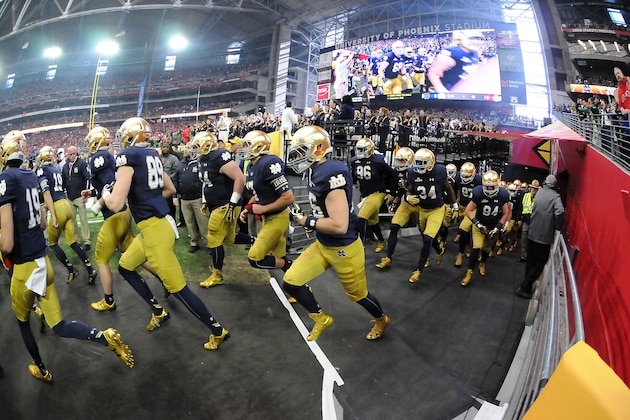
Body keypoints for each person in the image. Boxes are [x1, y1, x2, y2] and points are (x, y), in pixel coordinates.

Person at [0, 130, 134, 382]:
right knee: (59, 325)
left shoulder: (6, 178)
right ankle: (103, 336)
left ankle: (41, 367)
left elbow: (6, 245)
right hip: (44, 263)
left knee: (21, 322)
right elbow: (40, 222)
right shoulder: (30, 174)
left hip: (24, 269)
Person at [103, 117, 230, 350]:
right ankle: (158, 310)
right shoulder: (152, 154)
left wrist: (105, 192)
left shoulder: (128, 157)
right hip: (159, 225)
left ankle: (217, 330)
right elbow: (170, 189)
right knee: (125, 266)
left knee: (179, 289)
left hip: (154, 231)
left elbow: (115, 203)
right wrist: (149, 200)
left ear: (129, 136)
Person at [284, 125, 391, 341]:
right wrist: (312, 220)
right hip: (323, 245)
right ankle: (321, 318)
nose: (297, 156)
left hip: (344, 249)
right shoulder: (316, 169)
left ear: (318, 148)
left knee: (359, 296)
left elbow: (339, 225)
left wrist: (307, 220)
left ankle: (381, 319)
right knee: (291, 281)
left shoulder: (330, 173)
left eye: (301, 150)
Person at [82, 126, 164, 312]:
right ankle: (164, 280)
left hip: (114, 215)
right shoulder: (110, 156)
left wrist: (98, 204)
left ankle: (108, 300)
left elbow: (111, 185)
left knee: (101, 258)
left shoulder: (99, 158)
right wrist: (93, 192)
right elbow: (107, 184)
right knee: (131, 251)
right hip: (124, 213)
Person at [36, 145, 98, 285]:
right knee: (73, 242)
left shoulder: (43, 169)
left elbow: (46, 193)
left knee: (52, 243)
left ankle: (71, 270)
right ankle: (90, 270)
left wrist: (53, 214)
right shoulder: (55, 168)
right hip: (65, 203)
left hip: (58, 207)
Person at [196, 130, 247, 288]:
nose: (196, 149)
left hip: (225, 203)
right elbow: (207, 182)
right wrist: (205, 201)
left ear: (207, 144)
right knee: (229, 239)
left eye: (199, 145)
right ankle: (257, 241)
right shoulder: (202, 159)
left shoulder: (220, 156)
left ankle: (218, 275)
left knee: (213, 236)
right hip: (216, 203)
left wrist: (232, 202)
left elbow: (239, 178)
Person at [239, 130, 295, 272]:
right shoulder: (252, 165)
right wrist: (248, 208)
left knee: (255, 258)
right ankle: (299, 287)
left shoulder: (269, 163)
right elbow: (258, 193)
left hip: (277, 217)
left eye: (247, 145)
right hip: (268, 218)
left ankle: (292, 268)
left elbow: (288, 197)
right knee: (279, 257)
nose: (244, 148)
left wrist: (263, 209)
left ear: (259, 146)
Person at [405, 148, 457, 283]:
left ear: (430, 163)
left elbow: (448, 188)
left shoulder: (439, 171)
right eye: (417, 162)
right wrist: (408, 198)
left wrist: (453, 204)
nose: (418, 165)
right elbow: (410, 190)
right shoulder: (412, 172)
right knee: (427, 237)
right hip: (422, 209)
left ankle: (418, 270)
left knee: (427, 239)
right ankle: (439, 251)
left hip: (436, 209)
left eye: (422, 162)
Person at [515, 175, 565, 299]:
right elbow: (560, 212)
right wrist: (557, 227)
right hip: (544, 236)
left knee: (530, 262)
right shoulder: (555, 197)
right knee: (540, 263)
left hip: (532, 232)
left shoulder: (539, 193)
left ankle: (526, 287)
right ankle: (524, 286)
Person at [460, 170, 511, 287]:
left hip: (492, 226)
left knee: (486, 249)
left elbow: (505, 213)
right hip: (480, 225)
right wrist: (477, 223)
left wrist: (498, 227)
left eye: (491, 187)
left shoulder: (503, 195)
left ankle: (482, 262)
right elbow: (468, 210)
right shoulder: (478, 193)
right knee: (476, 248)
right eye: (486, 187)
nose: (489, 189)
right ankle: (469, 273)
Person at [349, 137, 397, 252]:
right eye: (358, 149)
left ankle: (360, 246)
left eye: (362, 149)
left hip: (378, 193)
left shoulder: (378, 161)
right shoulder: (355, 161)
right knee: (373, 221)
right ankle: (381, 240)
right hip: (365, 194)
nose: (360, 152)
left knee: (362, 216)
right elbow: (354, 177)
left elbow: (393, 175)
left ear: (370, 149)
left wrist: (392, 192)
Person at [375, 147, 417, 269]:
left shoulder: (416, 172)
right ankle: (388, 257)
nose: (399, 163)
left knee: (426, 233)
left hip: (422, 204)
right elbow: (400, 189)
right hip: (407, 203)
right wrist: (395, 200)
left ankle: (434, 252)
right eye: (398, 160)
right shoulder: (396, 172)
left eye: (402, 161)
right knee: (394, 227)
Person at [173, 136, 209, 253]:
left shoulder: (200, 163)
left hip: (198, 198)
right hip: (184, 199)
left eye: (188, 147)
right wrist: (175, 197)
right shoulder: (181, 163)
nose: (185, 149)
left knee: (203, 223)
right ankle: (194, 242)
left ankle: (209, 243)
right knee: (189, 223)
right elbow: (176, 180)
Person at [61, 145, 91, 250]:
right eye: (71, 154)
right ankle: (77, 240)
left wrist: (86, 193)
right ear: (67, 154)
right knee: (72, 220)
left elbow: (87, 178)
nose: (73, 156)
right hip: (70, 196)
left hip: (80, 195)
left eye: (74, 153)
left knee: (83, 219)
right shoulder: (65, 166)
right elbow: (63, 181)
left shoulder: (82, 163)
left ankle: (86, 240)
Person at [517, 179, 540, 262]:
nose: (533, 190)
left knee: (533, 241)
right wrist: (519, 219)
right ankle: (524, 256)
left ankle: (531, 257)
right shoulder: (526, 196)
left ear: (538, 190)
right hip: (526, 221)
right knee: (523, 239)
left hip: (535, 223)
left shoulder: (539, 199)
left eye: (535, 188)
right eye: (532, 188)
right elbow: (520, 207)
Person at [161, 142, 180, 222]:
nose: (165, 149)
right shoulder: (157, 158)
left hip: (170, 186)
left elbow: (176, 172)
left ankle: (172, 223)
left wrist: (167, 178)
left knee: (170, 207)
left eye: (167, 147)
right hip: (159, 187)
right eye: (164, 147)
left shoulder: (173, 158)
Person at [614, 66, 630, 152]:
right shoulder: (618, 91)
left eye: (618, 73)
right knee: (626, 140)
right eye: (616, 74)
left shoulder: (629, 81)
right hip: (627, 119)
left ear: (622, 73)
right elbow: (622, 109)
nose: (617, 75)